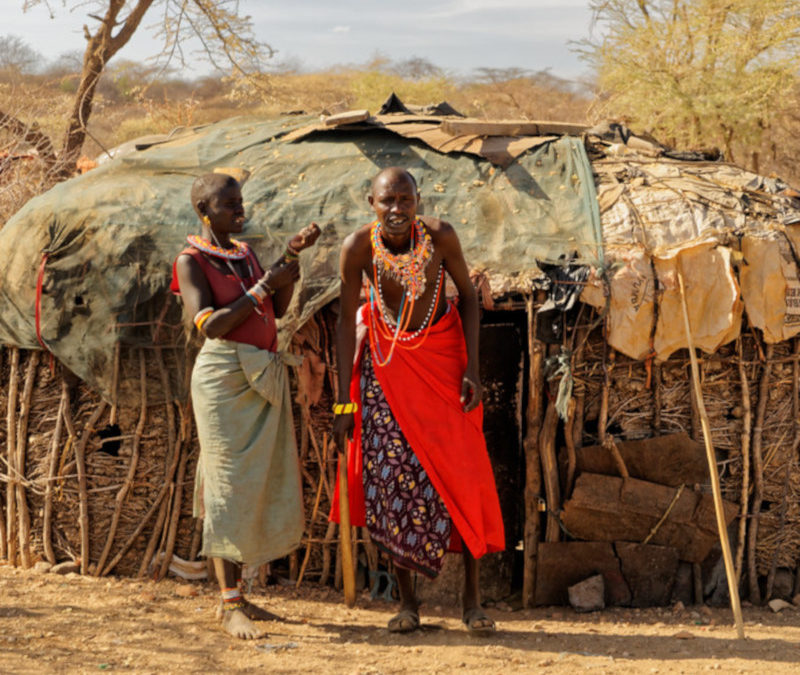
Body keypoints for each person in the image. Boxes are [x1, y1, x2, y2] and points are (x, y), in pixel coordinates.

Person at [332, 167, 505, 635]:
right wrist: (344, 402)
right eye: (387, 201)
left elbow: (468, 297)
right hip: (387, 370)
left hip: (445, 363)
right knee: (394, 482)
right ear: (371, 202)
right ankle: (408, 604)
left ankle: (472, 602)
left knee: (462, 475)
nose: (396, 210)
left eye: (405, 200)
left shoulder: (440, 236)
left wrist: (470, 368)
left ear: (418, 200)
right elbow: (346, 322)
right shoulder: (357, 249)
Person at [171, 172, 320, 639]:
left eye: (240, 201)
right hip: (223, 381)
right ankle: (230, 603)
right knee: (227, 484)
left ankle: (243, 597)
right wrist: (262, 287)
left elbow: (272, 309)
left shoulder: (244, 253)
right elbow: (211, 326)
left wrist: (290, 260)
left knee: (256, 482)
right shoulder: (190, 260)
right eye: (229, 203)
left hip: (261, 370)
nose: (240, 208)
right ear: (204, 209)